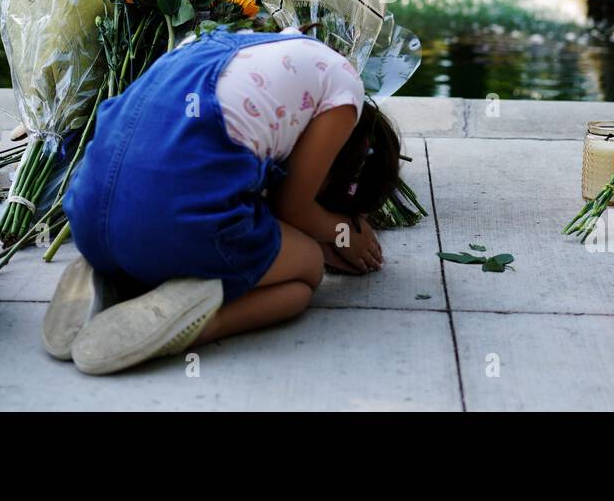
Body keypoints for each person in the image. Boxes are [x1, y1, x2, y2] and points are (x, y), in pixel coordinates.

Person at [47, 27, 405, 374]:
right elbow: (291, 208)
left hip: (88, 214)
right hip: (164, 226)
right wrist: (340, 230)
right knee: (304, 275)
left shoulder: (256, 49)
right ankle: (193, 325)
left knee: (161, 214)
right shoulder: (345, 92)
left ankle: (110, 274)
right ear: (354, 156)